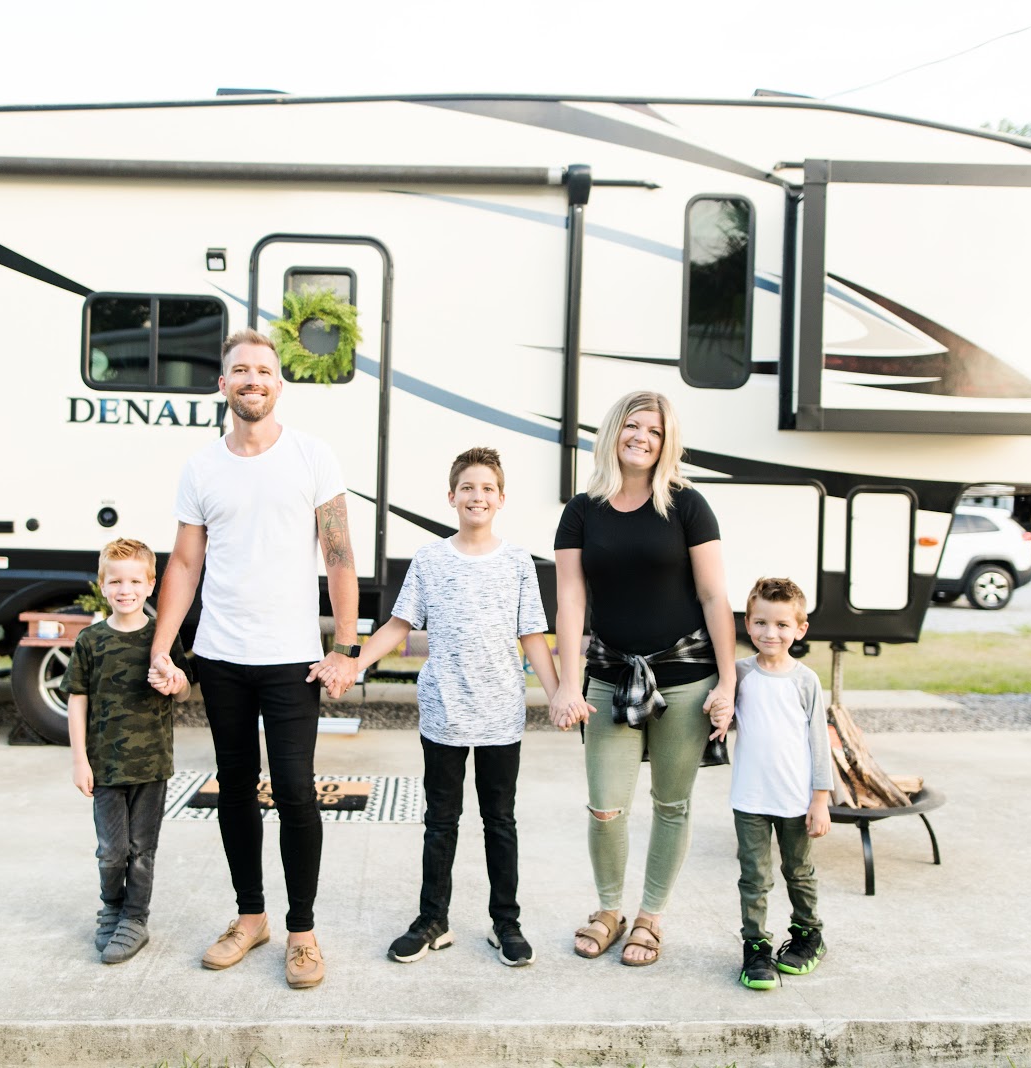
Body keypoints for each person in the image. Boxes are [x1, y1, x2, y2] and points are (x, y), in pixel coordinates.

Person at [148, 328, 361, 991]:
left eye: (263, 371)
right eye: (239, 371)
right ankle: (251, 918)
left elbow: (339, 556)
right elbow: (185, 562)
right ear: (224, 385)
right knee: (234, 790)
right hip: (221, 656)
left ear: (278, 383)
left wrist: (346, 647)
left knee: (296, 791)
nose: (252, 380)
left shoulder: (312, 457)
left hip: (292, 659)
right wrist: (163, 644)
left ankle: (302, 931)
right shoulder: (202, 467)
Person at [349, 447, 559, 967]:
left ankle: (505, 923)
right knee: (441, 820)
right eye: (468, 487)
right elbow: (399, 626)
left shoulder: (518, 563)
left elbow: (534, 635)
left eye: (487, 488)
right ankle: (432, 920)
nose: (477, 496)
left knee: (500, 821)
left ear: (501, 499)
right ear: (451, 497)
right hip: (443, 711)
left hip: (500, 717)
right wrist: (355, 662)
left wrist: (559, 695)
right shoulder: (430, 559)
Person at [549, 390, 738, 967]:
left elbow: (713, 596)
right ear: (614, 432)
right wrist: (564, 683)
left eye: (654, 432)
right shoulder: (582, 510)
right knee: (606, 805)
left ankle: (651, 917)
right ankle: (610, 909)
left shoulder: (687, 506)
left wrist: (728, 682)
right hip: (609, 678)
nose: (642, 438)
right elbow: (571, 603)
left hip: (684, 678)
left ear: (666, 441)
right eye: (632, 427)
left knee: (671, 804)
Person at [63, 537, 190, 965]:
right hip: (105, 768)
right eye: (116, 581)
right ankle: (111, 908)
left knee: (141, 849)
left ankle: (136, 918)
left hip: (152, 765)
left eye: (136, 580)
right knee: (111, 851)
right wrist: (80, 758)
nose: (125, 589)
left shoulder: (161, 637)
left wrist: (175, 680)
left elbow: (185, 687)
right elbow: (77, 698)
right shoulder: (91, 641)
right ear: (102, 585)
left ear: (151, 585)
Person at [711, 576, 832, 990]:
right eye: (761, 623)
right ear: (748, 624)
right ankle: (756, 946)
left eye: (782, 625)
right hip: (750, 797)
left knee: (798, 870)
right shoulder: (739, 674)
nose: (770, 633)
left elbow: (819, 741)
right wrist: (716, 713)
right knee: (754, 876)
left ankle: (807, 934)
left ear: (800, 629)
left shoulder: (805, 681)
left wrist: (820, 798)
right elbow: (721, 717)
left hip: (796, 799)